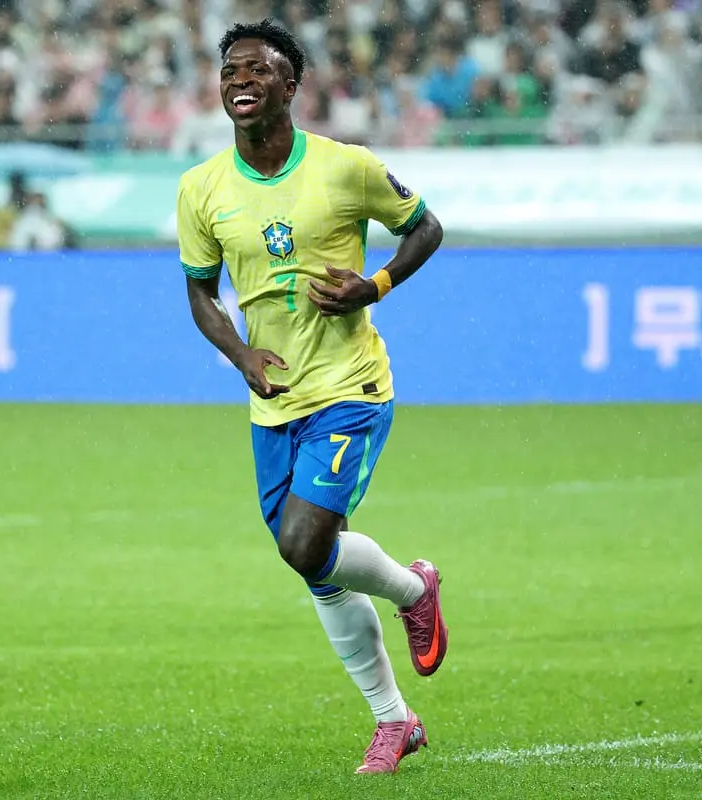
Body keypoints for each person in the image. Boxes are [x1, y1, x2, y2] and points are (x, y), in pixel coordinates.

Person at [175, 20, 449, 775]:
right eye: (230, 71)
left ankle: (410, 590)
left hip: (349, 385)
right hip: (274, 398)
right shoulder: (200, 188)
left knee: (303, 544)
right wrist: (240, 355)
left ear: (289, 86)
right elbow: (200, 295)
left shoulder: (346, 167)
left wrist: (375, 284)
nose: (240, 81)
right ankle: (395, 720)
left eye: (257, 70)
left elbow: (425, 228)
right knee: (316, 565)